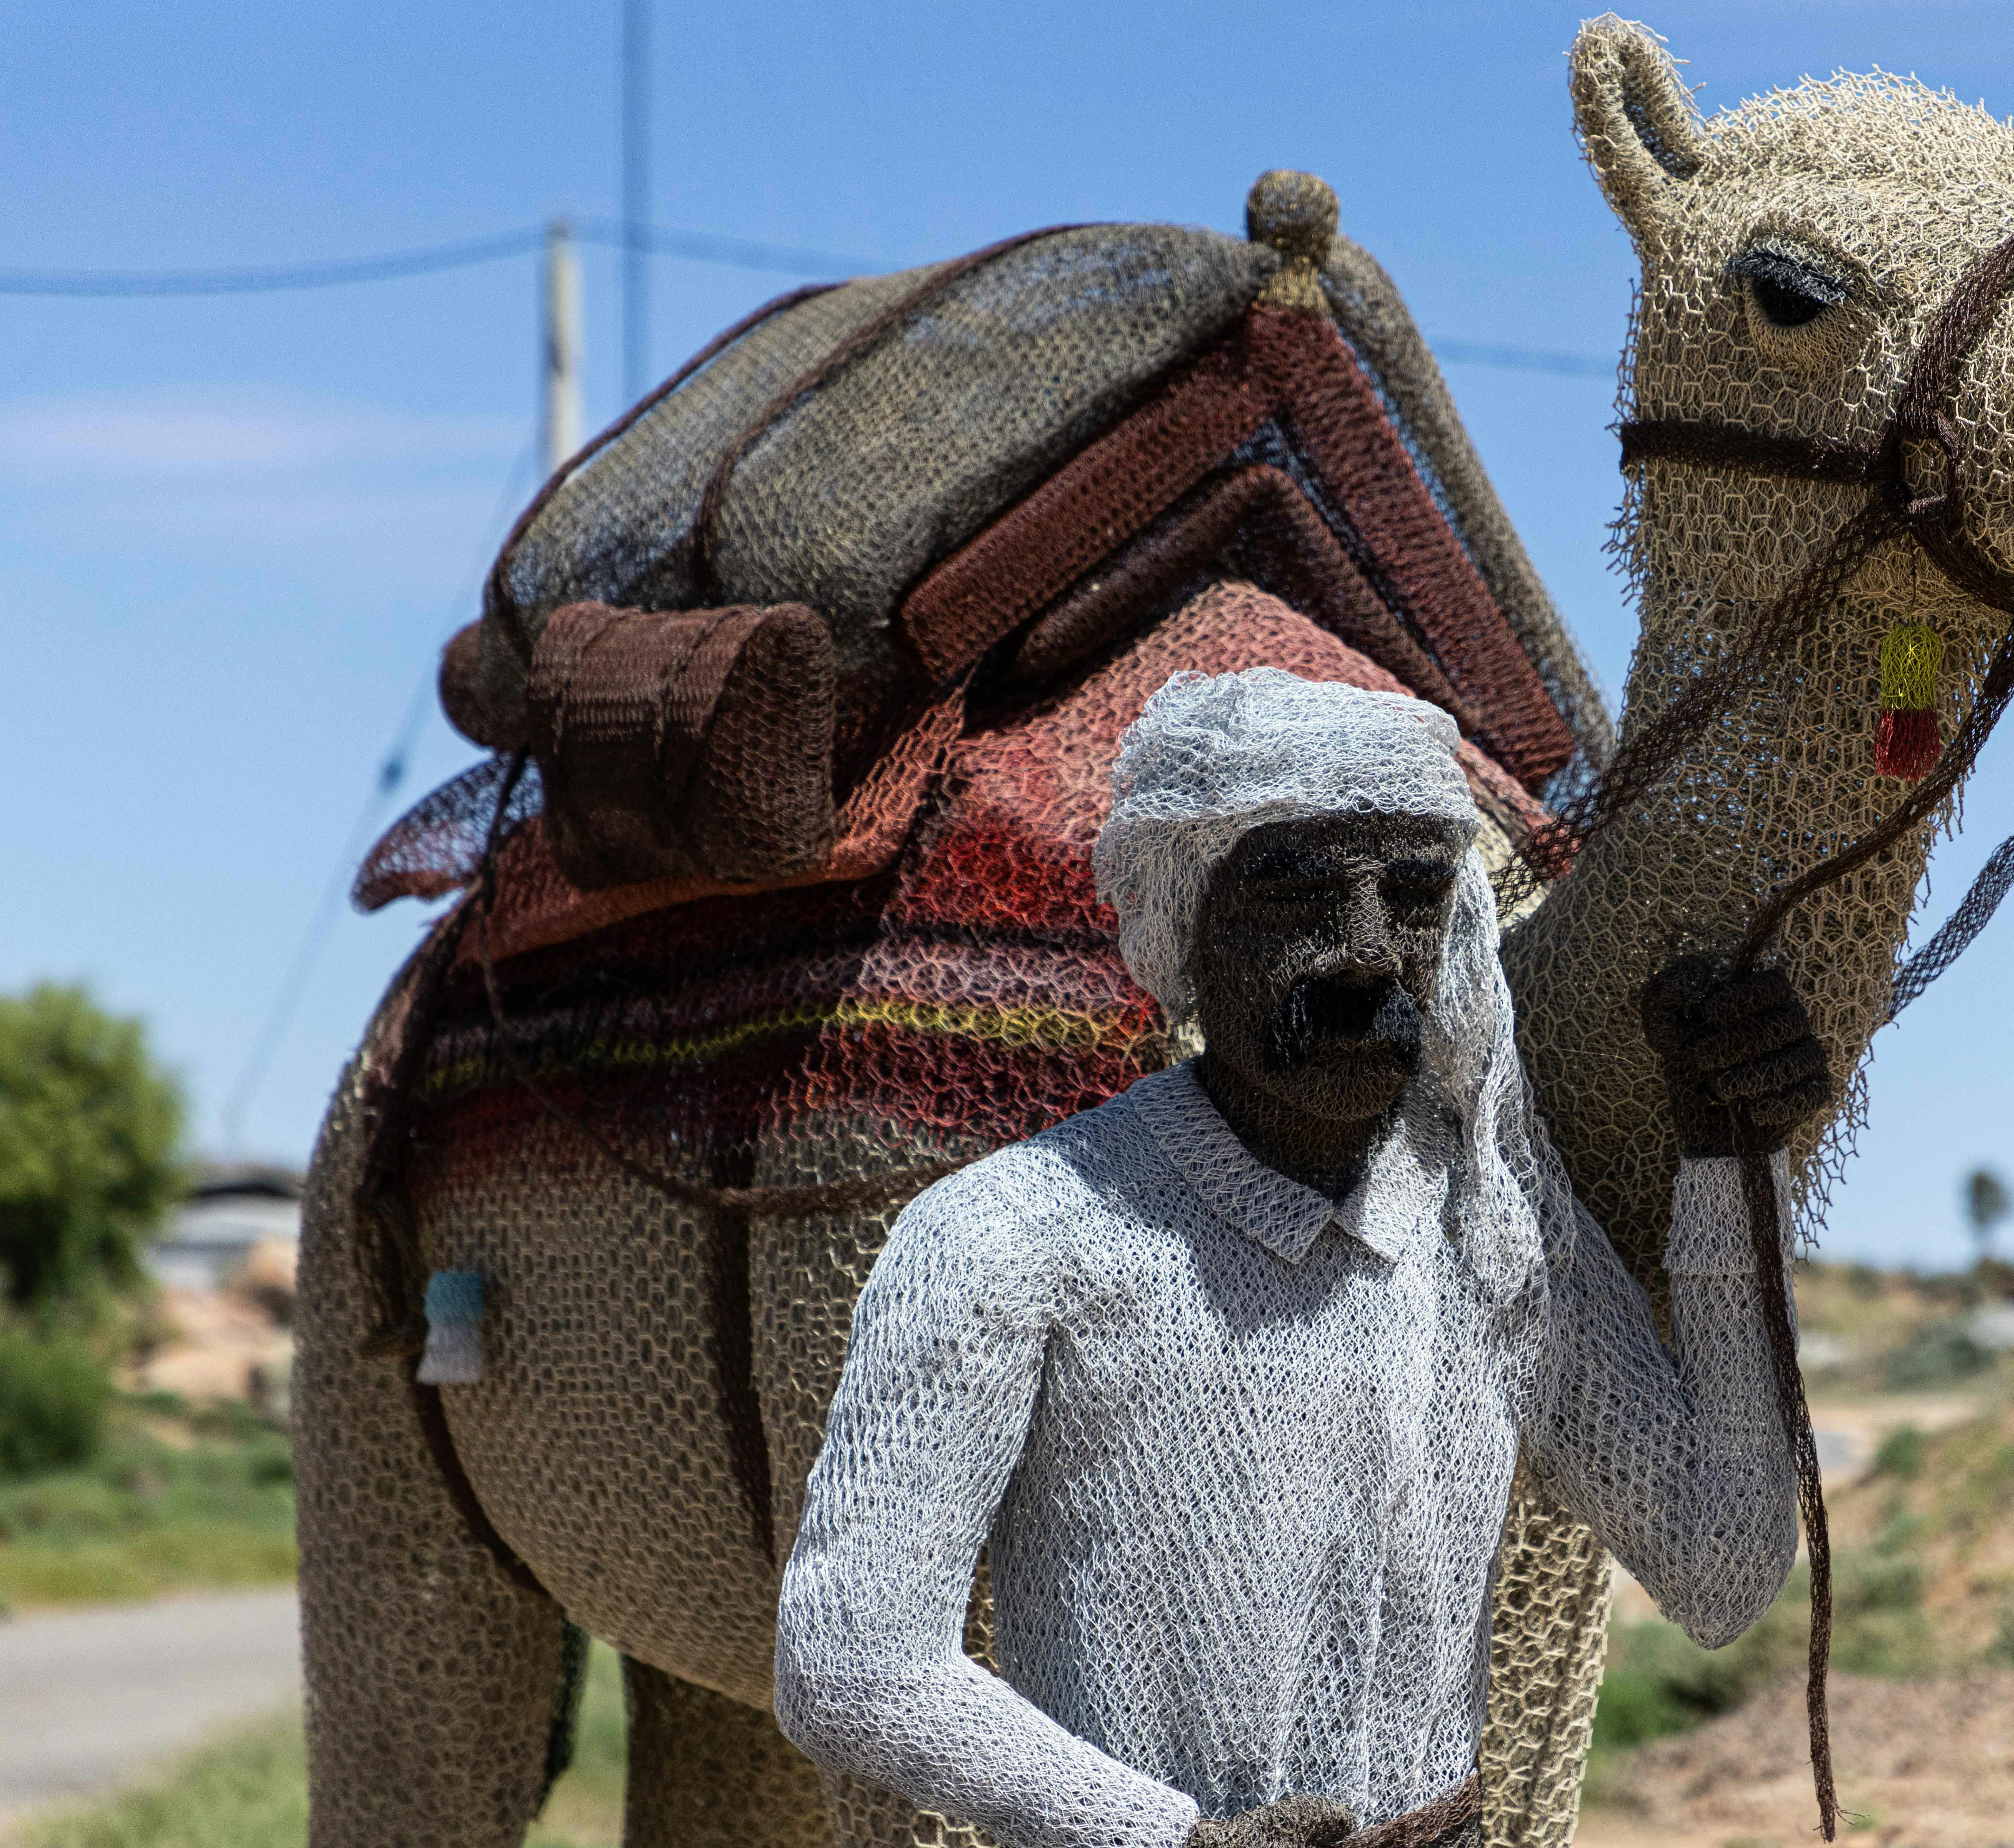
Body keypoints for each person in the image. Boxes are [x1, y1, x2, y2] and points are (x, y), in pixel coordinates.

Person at [775, 668, 1827, 1848]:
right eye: (1297, 891)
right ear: (1189, 919)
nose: (1369, 951)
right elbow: (850, 1663)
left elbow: (1727, 1565)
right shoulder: (1011, 1238)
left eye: (1418, 895)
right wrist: (1168, 1840)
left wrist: (1728, 1164)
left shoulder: (1489, 1224)